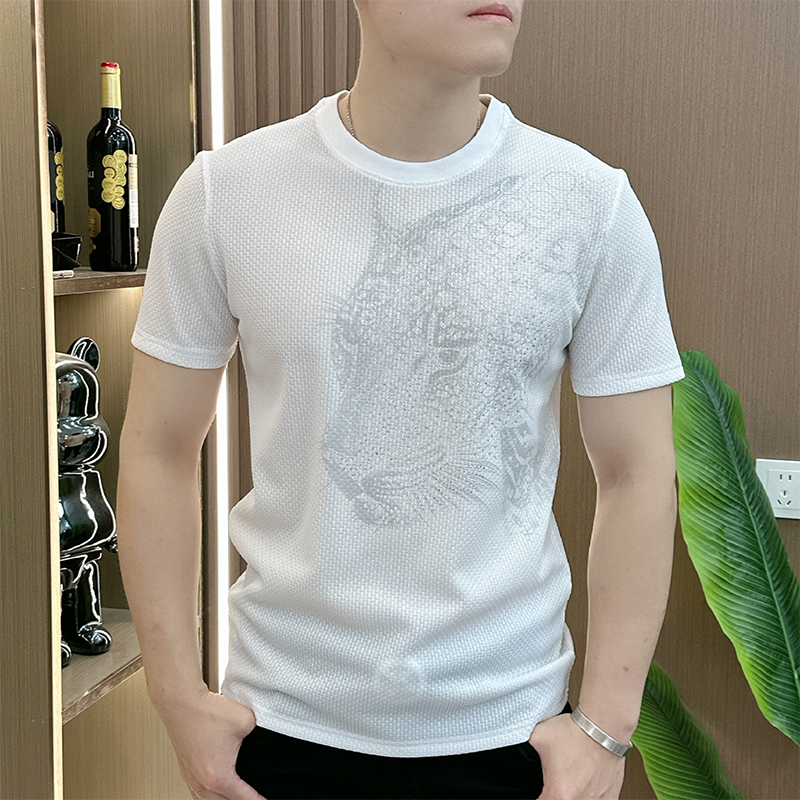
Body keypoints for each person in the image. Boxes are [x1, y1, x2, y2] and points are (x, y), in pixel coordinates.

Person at [117, 0, 684, 798]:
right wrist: (176, 696)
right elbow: (158, 449)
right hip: (282, 728)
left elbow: (638, 472)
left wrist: (605, 730)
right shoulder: (226, 194)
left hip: (511, 735)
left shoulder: (592, 204)